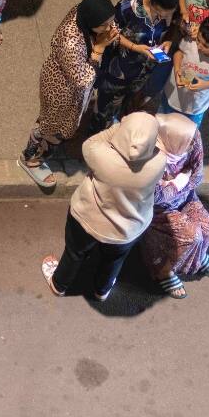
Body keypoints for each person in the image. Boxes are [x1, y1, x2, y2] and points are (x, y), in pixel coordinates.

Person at [40, 112, 167, 301]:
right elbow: (156, 146)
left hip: (87, 219)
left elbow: (89, 143)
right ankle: (102, 290)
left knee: (75, 253)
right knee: (113, 260)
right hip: (128, 230)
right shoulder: (159, 161)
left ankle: (59, 284)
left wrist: (117, 128)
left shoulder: (102, 156)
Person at [18, 0, 120, 189]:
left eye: (111, 22)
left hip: (73, 88)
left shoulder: (84, 15)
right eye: (104, 25)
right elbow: (83, 80)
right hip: (61, 90)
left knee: (63, 125)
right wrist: (99, 50)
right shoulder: (69, 41)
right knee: (50, 127)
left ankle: (45, 149)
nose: (110, 28)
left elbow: (108, 26)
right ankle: (30, 158)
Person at [139, 113, 209, 299]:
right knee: (193, 236)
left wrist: (173, 185)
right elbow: (157, 197)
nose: (191, 145)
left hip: (186, 198)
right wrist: (181, 179)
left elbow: (197, 176)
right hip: (158, 211)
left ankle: (195, 259)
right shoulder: (150, 156)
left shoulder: (191, 135)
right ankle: (163, 271)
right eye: (188, 143)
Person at [91, 0, 179, 131]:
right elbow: (109, 32)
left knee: (127, 97)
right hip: (119, 67)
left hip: (144, 68)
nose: (164, 17)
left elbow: (173, 26)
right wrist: (135, 47)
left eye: (168, 14)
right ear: (152, 2)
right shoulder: (128, 7)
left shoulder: (170, 4)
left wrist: (168, 40)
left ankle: (119, 122)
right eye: (160, 13)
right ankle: (99, 129)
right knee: (107, 103)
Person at [161, 15, 209, 127]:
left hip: (195, 106)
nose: (198, 46)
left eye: (206, 46)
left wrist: (206, 85)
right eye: (198, 40)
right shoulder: (191, 40)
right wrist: (177, 70)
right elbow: (179, 53)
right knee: (162, 125)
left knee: (187, 133)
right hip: (172, 96)